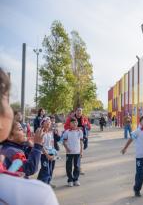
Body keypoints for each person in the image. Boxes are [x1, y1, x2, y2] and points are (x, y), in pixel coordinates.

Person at [0, 68, 59, 205]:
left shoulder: (9, 149)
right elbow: (29, 168)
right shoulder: (39, 195)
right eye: (5, 100)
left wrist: (29, 146)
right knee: (45, 174)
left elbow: (17, 163)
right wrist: (37, 147)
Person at [63, 117, 83, 187]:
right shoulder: (67, 132)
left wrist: (81, 151)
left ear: (77, 123)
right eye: (73, 123)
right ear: (70, 124)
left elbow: (81, 142)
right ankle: (70, 180)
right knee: (69, 167)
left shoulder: (79, 131)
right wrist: (67, 148)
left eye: (75, 122)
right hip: (69, 153)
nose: (74, 124)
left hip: (77, 152)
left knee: (77, 166)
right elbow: (64, 142)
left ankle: (76, 179)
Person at [37, 117, 57, 186]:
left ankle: (43, 182)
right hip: (44, 154)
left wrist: (53, 153)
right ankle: (44, 185)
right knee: (46, 170)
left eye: (49, 122)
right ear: (42, 123)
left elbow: (52, 144)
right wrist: (47, 155)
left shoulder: (51, 133)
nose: (49, 123)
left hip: (51, 153)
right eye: (47, 122)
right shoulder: (41, 132)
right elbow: (40, 145)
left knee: (50, 170)